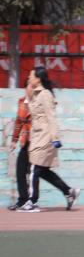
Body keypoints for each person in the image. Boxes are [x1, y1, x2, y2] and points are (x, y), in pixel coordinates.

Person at [17, 67, 80, 212]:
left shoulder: (45, 95)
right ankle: (69, 191)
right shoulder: (35, 94)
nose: (29, 78)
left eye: (31, 76)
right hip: (37, 136)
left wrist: (55, 138)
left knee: (33, 168)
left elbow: (51, 117)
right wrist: (29, 95)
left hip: (45, 137)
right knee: (43, 171)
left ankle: (32, 202)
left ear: (38, 78)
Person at [7, 82, 33, 211]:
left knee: (37, 173)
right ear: (25, 88)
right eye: (30, 86)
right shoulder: (22, 102)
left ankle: (30, 201)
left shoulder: (38, 102)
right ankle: (23, 200)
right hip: (25, 141)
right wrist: (14, 140)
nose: (32, 89)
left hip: (36, 141)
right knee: (20, 171)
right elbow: (18, 122)